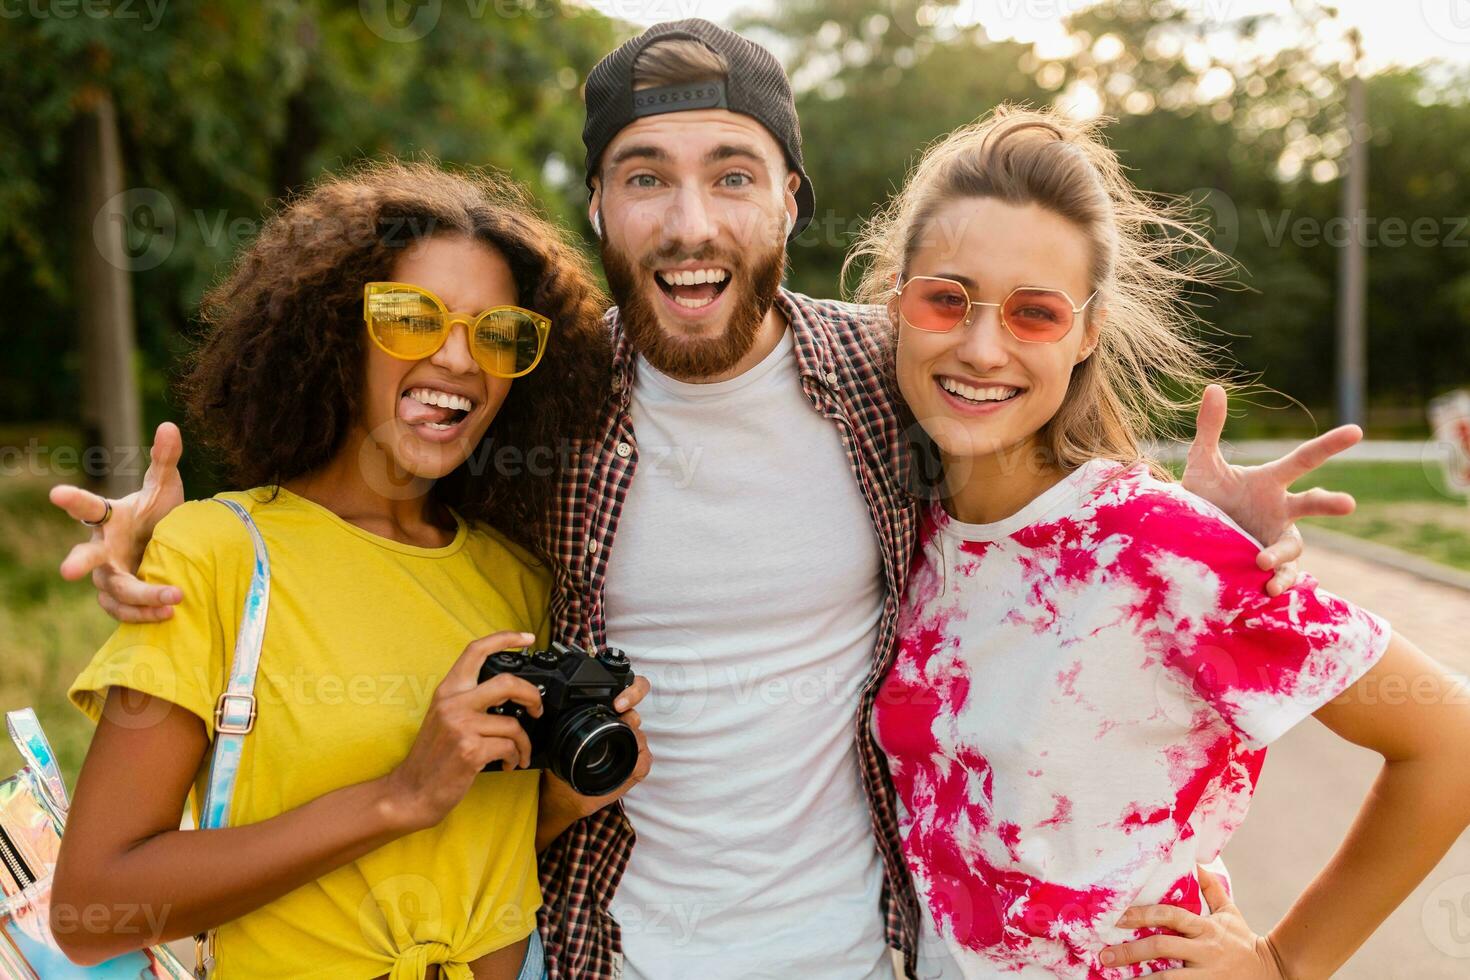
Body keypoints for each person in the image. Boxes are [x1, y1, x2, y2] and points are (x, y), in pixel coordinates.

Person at [57, 21, 1363, 980]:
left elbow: (1012, 417)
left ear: (788, 194)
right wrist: (167, 531)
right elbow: (379, 471)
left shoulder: (885, 367)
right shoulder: (544, 402)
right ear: (600, 207)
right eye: (645, 176)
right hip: (598, 953)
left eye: (732, 173)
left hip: (864, 950)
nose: (690, 218)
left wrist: (1170, 508)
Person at [862, 106, 1470, 978]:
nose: (982, 345)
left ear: (1087, 334)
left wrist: (1285, 965)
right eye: (946, 299)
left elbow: (1449, 739)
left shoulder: (1156, 547)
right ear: (897, 299)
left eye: (1035, 313)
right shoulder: (904, 530)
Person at [48, 161, 650, 979]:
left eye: (497, 334)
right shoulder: (219, 553)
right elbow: (94, 908)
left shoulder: (519, 577)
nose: (459, 359)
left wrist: (564, 799)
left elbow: (474, 853)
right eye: (410, 319)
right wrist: (397, 796)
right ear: (334, 332)